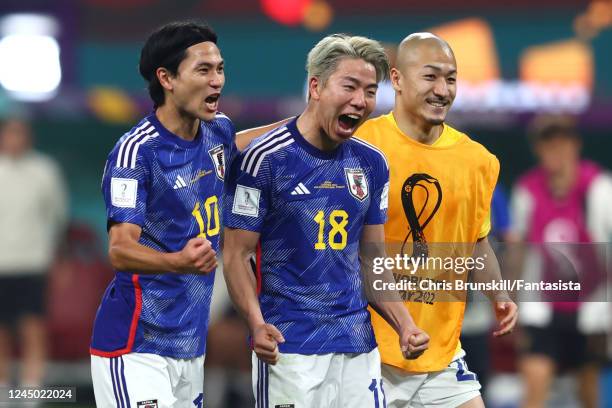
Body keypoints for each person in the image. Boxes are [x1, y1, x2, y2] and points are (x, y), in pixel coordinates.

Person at [223, 34, 429, 407]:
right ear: (316, 87)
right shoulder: (264, 161)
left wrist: (405, 324)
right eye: (349, 86)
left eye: (369, 91)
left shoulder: (372, 164)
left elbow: (372, 260)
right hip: (291, 345)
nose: (360, 101)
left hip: (357, 345)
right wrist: (256, 324)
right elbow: (236, 255)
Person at [352, 32, 518, 408]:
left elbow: (476, 242)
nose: (443, 90)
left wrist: (499, 294)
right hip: (364, 349)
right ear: (396, 80)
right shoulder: (361, 144)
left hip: (439, 352)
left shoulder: (479, 161)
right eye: (430, 77)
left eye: (451, 78)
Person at [90, 21, 235, 408]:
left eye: (219, 69)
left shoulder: (217, 132)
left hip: (190, 347)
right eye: (203, 70)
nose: (217, 80)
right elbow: (120, 250)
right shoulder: (136, 153)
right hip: (136, 346)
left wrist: (306, 122)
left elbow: (246, 143)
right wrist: (178, 262)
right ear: (166, 78)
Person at [511, 115, 611, 408]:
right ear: (538, 149)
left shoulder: (599, 188)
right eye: (548, 144)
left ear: (575, 145)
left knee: (588, 392)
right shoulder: (527, 190)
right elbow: (518, 250)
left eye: (562, 143)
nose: (555, 150)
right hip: (541, 309)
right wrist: (509, 301)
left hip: (590, 308)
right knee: (535, 384)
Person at [0, 118, 68, 388]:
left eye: (20, 133)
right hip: (1, 264)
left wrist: (59, 259)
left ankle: (32, 390)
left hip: (33, 263)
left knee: (33, 327)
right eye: (10, 133)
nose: (15, 139)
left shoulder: (45, 171)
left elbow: (57, 218)